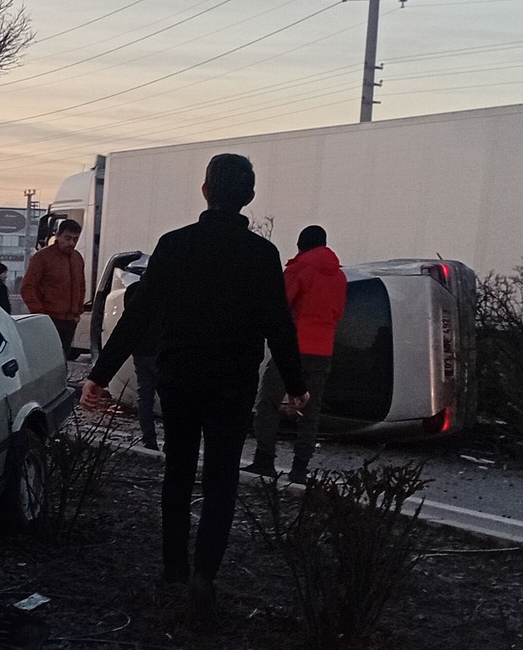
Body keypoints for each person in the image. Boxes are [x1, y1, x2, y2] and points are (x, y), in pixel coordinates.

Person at [83, 153, 309, 622]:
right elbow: (279, 327)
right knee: (222, 478)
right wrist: (297, 385)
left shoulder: (174, 245)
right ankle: (206, 573)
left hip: (180, 379)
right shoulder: (262, 256)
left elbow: (137, 316)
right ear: (249, 197)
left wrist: (99, 374)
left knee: (179, 471)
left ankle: (173, 568)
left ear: (205, 191)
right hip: (233, 382)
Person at [247, 225, 345, 482]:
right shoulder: (339, 277)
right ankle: (300, 469)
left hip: (292, 349)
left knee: (267, 403)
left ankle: (264, 460)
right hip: (323, 350)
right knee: (309, 411)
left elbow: (279, 305)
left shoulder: (298, 269)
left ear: (301, 244)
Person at [20, 218, 88, 356]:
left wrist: (77, 313)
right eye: (67, 238)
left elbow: (81, 286)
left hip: (69, 321)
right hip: (49, 318)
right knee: (48, 358)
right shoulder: (42, 257)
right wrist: (40, 314)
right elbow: (27, 287)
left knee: (61, 360)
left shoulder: (77, 258)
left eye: (75, 239)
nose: (71, 243)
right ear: (58, 235)